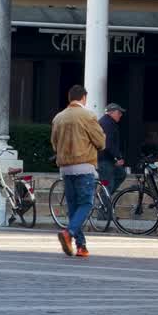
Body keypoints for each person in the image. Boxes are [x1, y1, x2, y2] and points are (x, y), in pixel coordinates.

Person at [50, 85, 105, 258]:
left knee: (74, 207)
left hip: (65, 167)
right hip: (84, 164)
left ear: (69, 97)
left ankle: (81, 246)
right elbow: (100, 141)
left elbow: (54, 143)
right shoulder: (88, 115)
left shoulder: (58, 118)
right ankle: (69, 233)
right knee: (86, 203)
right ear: (84, 97)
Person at [97, 103, 127, 196]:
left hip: (107, 158)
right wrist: (118, 157)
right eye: (119, 112)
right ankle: (104, 206)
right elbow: (108, 144)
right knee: (107, 185)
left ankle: (104, 197)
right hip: (104, 160)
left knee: (121, 174)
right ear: (111, 113)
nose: (121, 115)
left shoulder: (109, 122)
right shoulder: (107, 123)